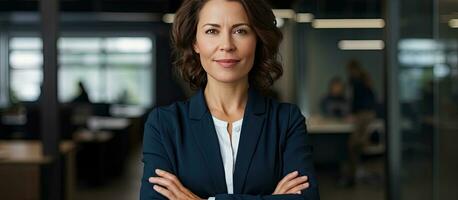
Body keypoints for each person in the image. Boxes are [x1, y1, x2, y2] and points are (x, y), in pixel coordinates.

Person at [140, 0, 320, 199]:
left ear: (257, 39)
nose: (226, 45)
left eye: (240, 31)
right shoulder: (164, 124)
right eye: (212, 31)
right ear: (195, 42)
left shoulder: (286, 121)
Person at [342, 59, 377, 186]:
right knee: (355, 146)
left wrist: (353, 114)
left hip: (363, 114)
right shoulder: (364, 80)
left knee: (352, 145)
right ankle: (356, 172)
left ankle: (353, 175)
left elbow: (355, 100)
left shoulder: (357, 82)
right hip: (367, 114)